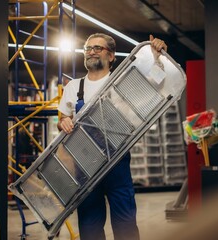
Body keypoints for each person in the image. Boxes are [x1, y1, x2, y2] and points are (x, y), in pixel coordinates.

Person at [57, 33, 167, 240]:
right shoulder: (74, 87)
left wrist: (157, 57)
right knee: (89, 228)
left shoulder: (124, 81)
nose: (91, 52)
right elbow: (62, 117)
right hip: (85, 167)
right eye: (88, 49)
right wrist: (63, 121)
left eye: (97, 48)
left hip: (116, 164)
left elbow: (157, 86)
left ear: (111, 56)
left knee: (125, 225)